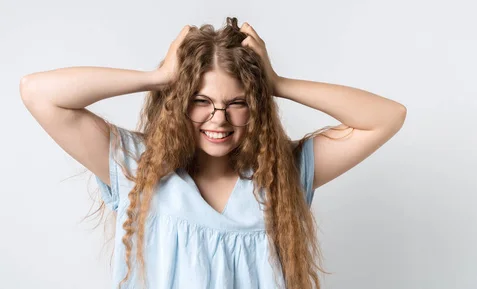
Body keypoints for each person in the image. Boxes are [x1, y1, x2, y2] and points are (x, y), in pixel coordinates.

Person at [20, 17, 407, 289]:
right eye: (200, 100)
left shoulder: (282, 174)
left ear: (256, 107)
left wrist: (277, 82)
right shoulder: (138, 166)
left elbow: (387, 117)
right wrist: (157, 78)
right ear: (176, 102)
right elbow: (38, 93)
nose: (218, 119)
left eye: (237, 102)